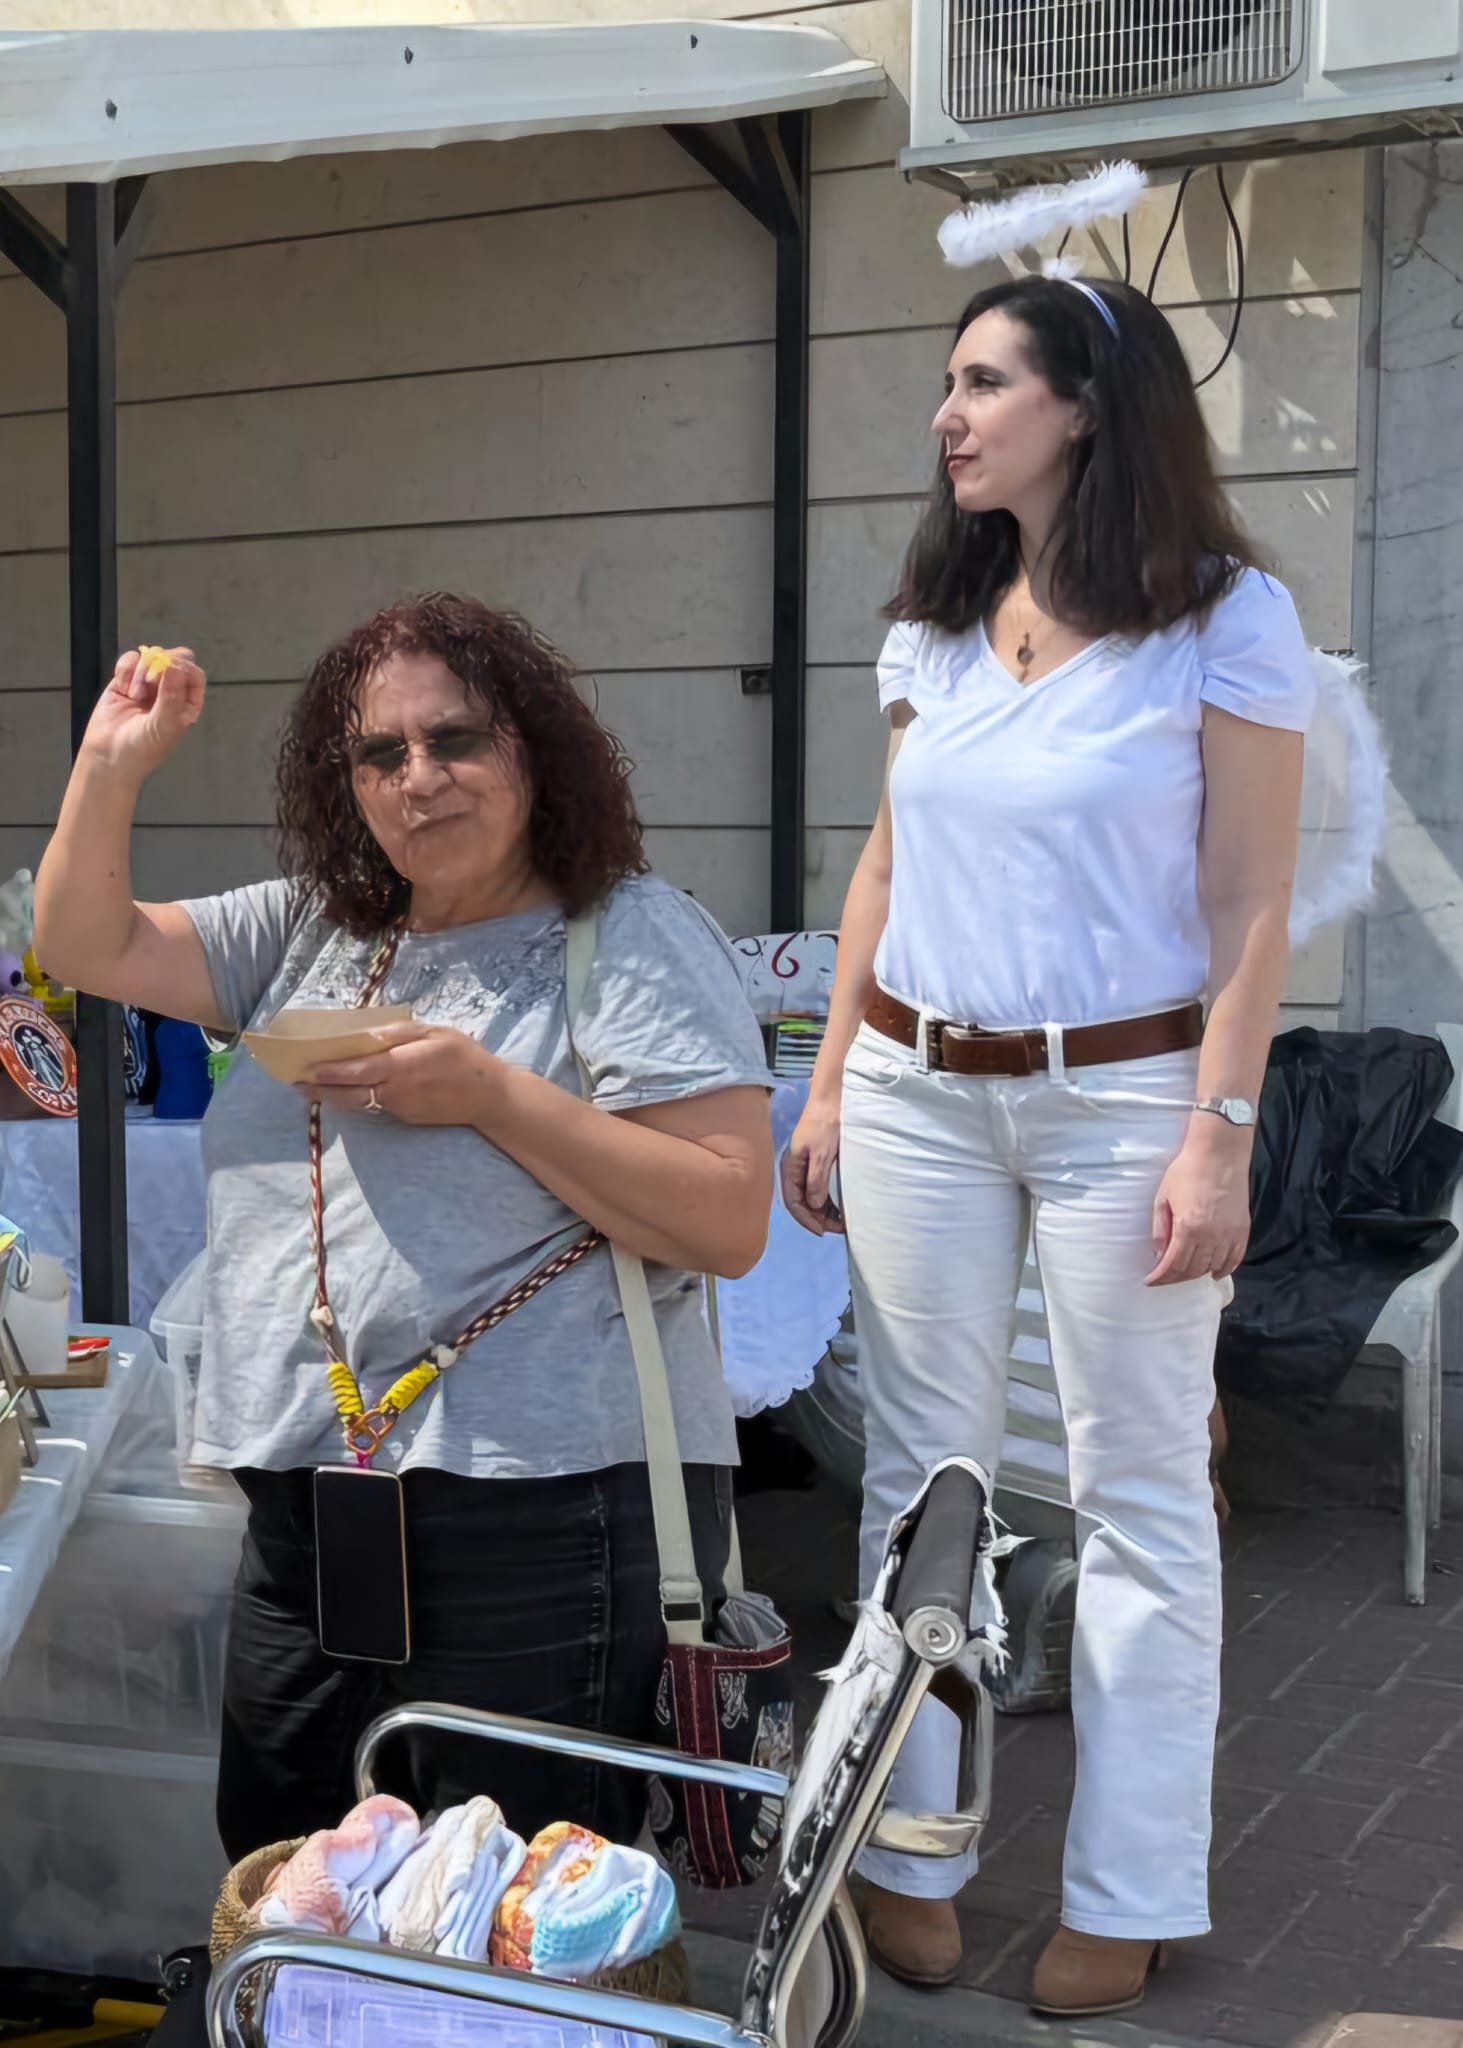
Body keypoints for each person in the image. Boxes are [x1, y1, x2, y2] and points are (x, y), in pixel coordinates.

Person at [35, 593, 773, 1862]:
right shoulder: (314, 924)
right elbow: (80, 940)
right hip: (310, 1500)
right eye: (380, 752)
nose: (418, 776)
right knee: (288, 1868)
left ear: (534, 747)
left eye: (456, 738)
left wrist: (490, 1094)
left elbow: (725, 1213)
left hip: (545, 1508)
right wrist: (111, 763)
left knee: (500, 1898)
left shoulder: (627, 932)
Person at [782, 276, 1312, 2016]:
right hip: (917, 1086)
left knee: (1136, 1494)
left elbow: (1246, 904)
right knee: (916, 1482)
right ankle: (905, 1849)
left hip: (1126, 1101)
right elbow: (881, 867)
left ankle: (1132, 1886)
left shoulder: (1221, 618)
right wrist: (831, 1081)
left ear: (1085, 404)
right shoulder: (935, 627)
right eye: (944, 383)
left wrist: (1218, 1136)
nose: (946, 415)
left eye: (982, 382)